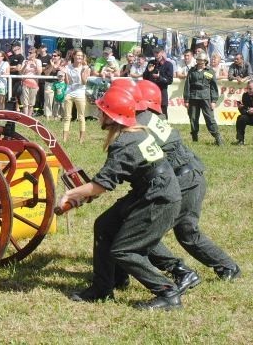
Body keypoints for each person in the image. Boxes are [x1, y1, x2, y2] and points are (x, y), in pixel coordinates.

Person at [59, 86, 183, 310]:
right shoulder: (135, 132)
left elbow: (100, 186)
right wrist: (85, 193)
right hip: (149, 190)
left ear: (112, 116)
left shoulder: (125, 143)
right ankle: (103, 287)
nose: (98, 114)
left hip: (158, 197)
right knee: (105, 225)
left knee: (125, 250)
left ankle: (168, 292)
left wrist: (70, 194)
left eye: (102, 111)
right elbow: (107, 181)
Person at [131, 79, 241, 289]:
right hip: (189, 176)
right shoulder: (150, 118)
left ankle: (190, 270)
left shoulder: (142, 122)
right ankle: (226, 267)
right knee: (185, 231)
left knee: (149, 230)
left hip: (184, 181)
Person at [184, 52, 222, 145]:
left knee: (209, 118)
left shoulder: (209, 71)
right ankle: (194, 138)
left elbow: (213, 87)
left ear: (205, 61)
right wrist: (186, 100)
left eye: (201, 60)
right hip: (193, 97)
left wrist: (213, 101)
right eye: (198, 60)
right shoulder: (192, 71)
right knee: (193, 118)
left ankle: (217, 137)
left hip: (205, 98)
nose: (199, 62)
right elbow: (187, 86)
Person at [61, 49, 90, 144]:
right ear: (73, 56)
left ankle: (81, 140)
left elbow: (84, 82)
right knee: (67, 117)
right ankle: (64, 139)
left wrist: (81, 73)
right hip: (69, 92)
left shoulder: (85, 68)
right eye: (78, 55)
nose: (80, 57)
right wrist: (65, 73)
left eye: (81, 56)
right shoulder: (68, 67)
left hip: (80, 93)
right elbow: (67, 82)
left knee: (81, 117)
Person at [142, 47, 174, 118]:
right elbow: (145, 78)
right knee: (150, 113)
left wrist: (159, 78)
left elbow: (169, 81)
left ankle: (165, 128)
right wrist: (148, 71)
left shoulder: (168, 64)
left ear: (162, 53)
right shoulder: (151, 63)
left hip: (162, 92)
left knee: (163, 113)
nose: (155, 54)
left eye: (157, 52)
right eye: (154, 52)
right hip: (151, 93)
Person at [19, 47, 41, 116]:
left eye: (31, 52)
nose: (29, 54)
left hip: (34, 83)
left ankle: (29, 116)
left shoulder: (38, 61)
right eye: (28, 52)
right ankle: (25, 116)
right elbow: (21, 72)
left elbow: (39, 72)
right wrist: (25, 65)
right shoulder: (25, 61)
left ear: (35, 54)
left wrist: (35, 62)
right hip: (25, 82)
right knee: (25, 102)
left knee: (31, 102)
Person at [234, 80, 253, 145]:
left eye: (250, 88)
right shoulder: (245, 95)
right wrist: (240, 108)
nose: (249, 90)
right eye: (248, 88)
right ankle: (240, 140)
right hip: (249, 116)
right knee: (241, 118)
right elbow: (243, 111)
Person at [7, 41, 25, 109]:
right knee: (10, 94)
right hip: (9, 78)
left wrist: (10, 68)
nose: (12, 47)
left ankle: (18, 109)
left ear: (18, 47)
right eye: (12, 46)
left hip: (17, 79)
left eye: (14, 46)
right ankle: (12, 108)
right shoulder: (10, 56)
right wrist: (13, 67)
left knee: (17, 94)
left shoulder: (21, 57)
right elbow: (6, 66)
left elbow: (18, 68)